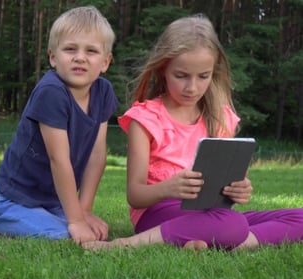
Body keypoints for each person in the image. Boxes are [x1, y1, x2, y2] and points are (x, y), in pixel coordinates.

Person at [83, 14, 303, 250]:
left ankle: (215, 241)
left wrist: (239, 188)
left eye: (203, 77)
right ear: (163, 69)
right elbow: (135, 196)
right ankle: (126, 244)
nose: (192, 87)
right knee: (231, 223)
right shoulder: (145, 119)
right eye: (181, 76)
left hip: (211, 214)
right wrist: (169, 188)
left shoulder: (220, 117)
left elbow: (225, 183)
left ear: (213, 73)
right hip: (158, 214)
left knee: (297, 216)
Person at [0, 6, 118, 244]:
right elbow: (59, 160)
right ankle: (4, 222)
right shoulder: (51, 92)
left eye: (91, 51)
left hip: (51, 202)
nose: (80, 57)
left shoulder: (103, 92)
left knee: (94, 233)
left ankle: (21, 226)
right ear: (53, 57)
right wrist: (75, 222)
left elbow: (97, 156)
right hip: (8, 199)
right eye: (70, 49)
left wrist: (84, 212)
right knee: (70, 237)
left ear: (105, 61)